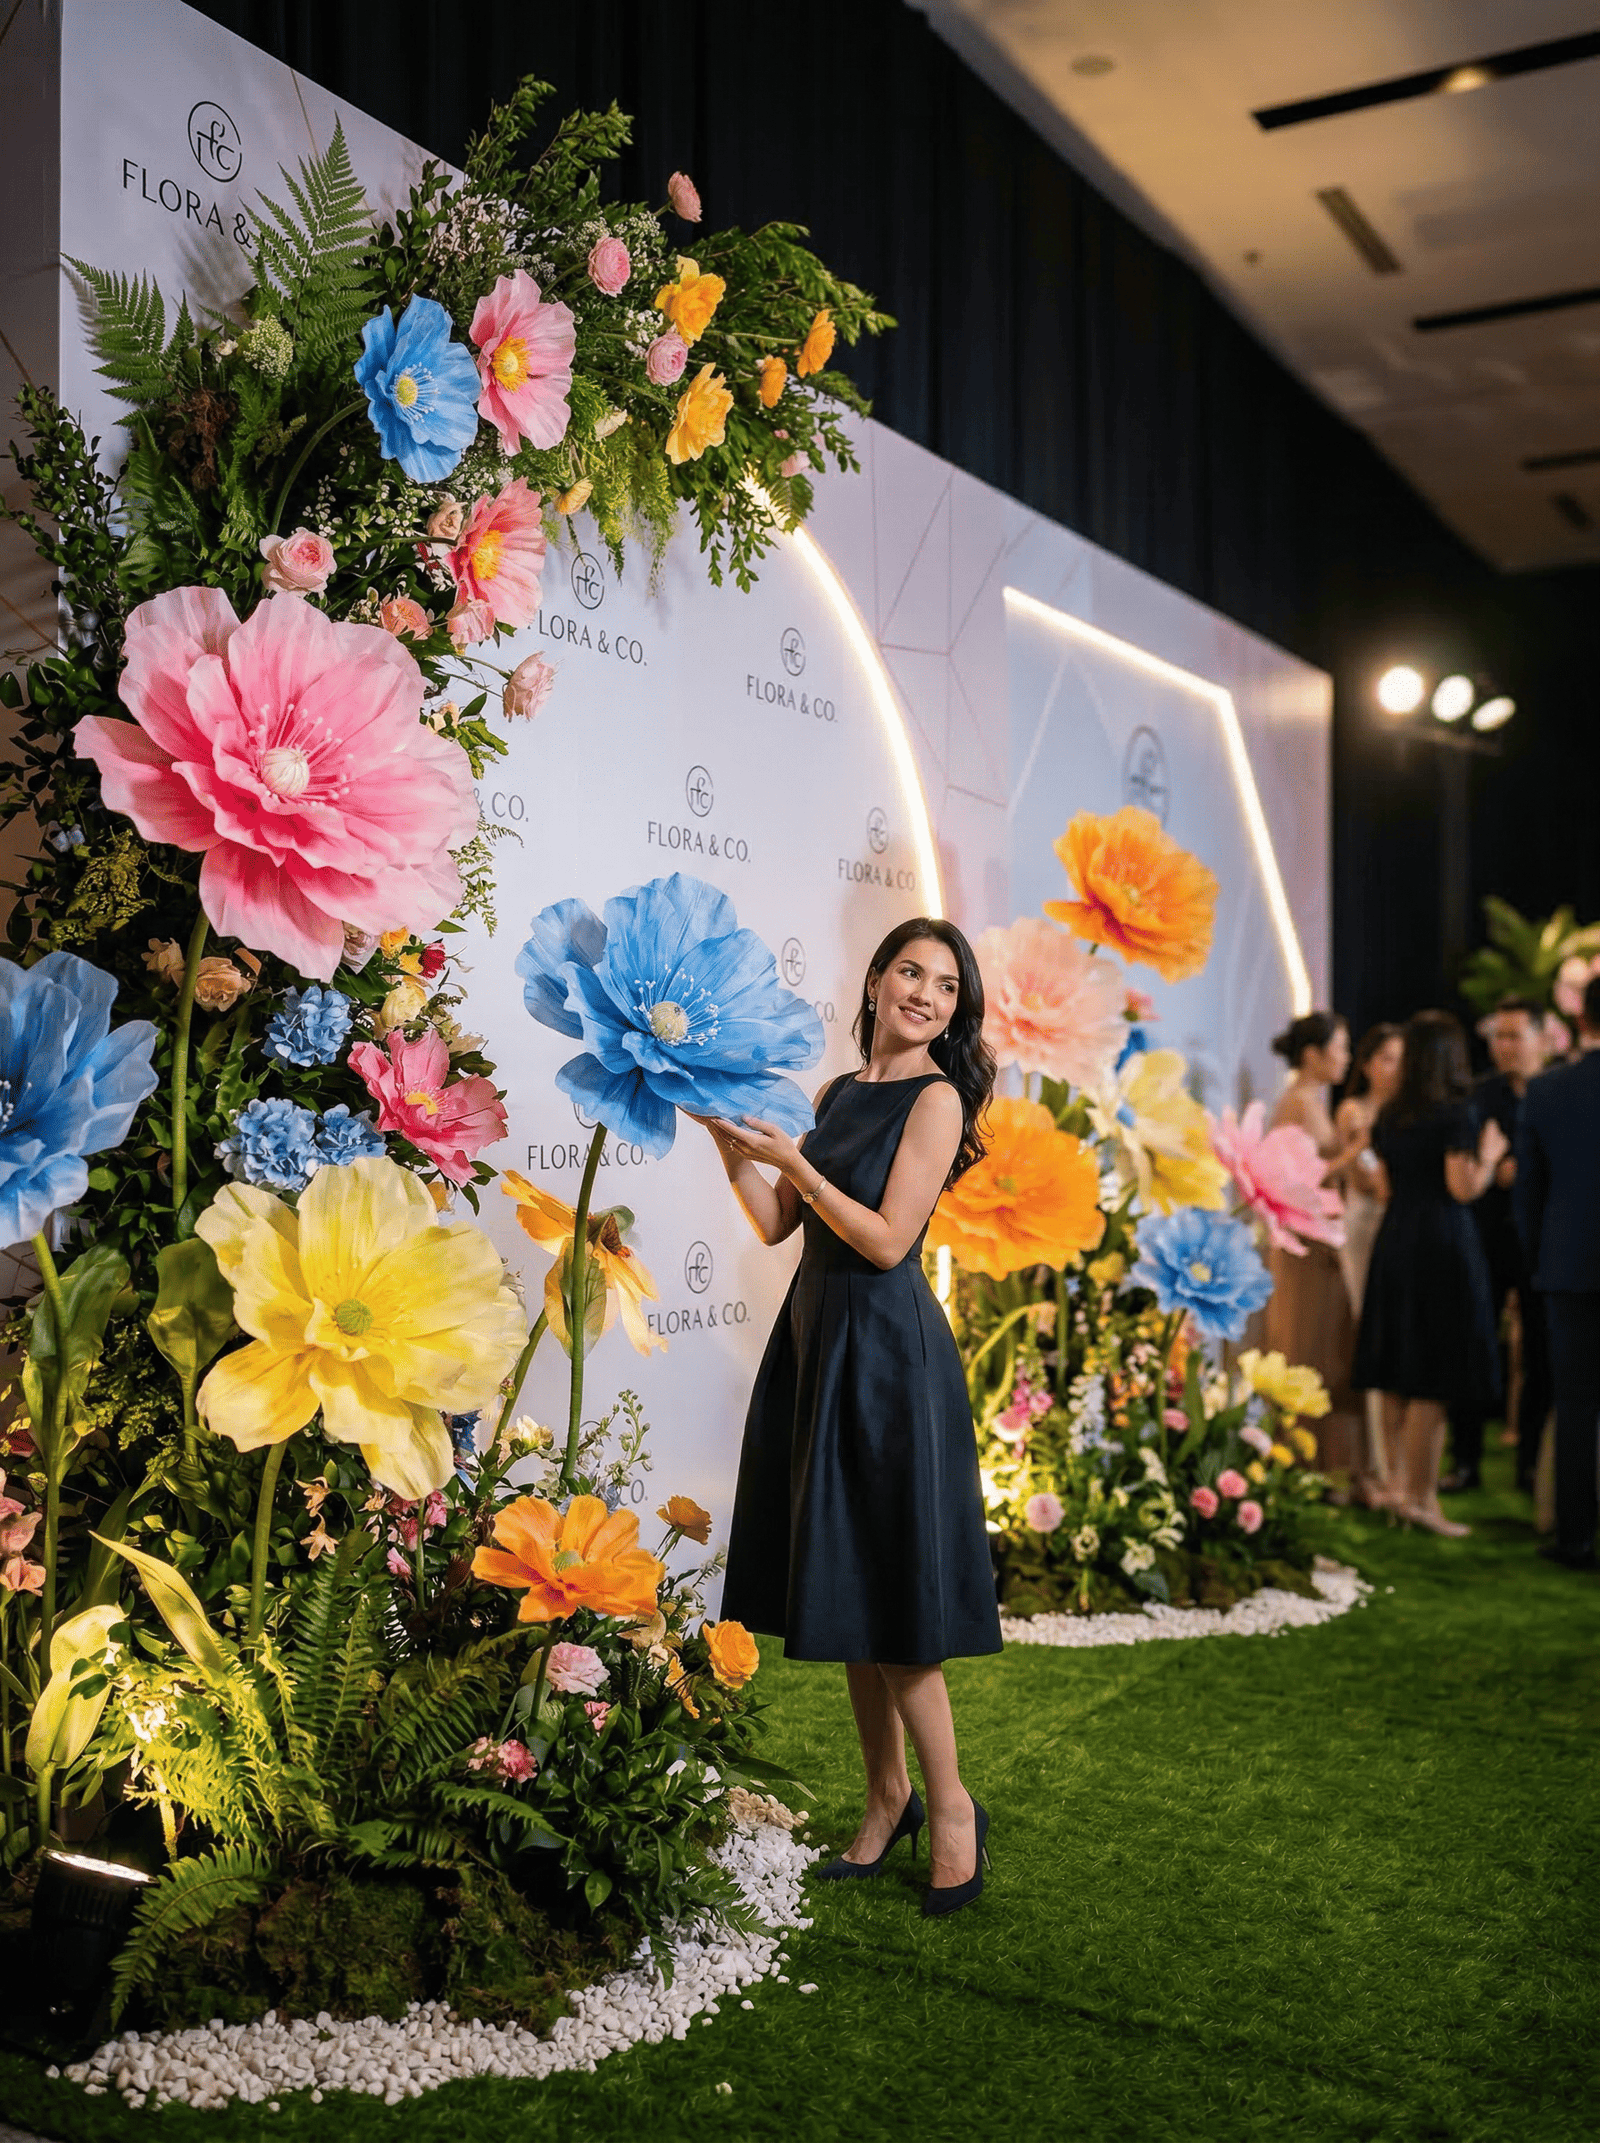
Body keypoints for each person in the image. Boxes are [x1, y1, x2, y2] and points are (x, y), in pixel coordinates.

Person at [698, 917, 1002, 1917]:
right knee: (851, 1593)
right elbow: (781, 1225)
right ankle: (886, 1796)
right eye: (909, 971)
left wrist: (797, 1162)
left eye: (945, 985)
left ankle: (951, 1807)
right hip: (817, 1344)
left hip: (886, 1359)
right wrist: (732, 1153)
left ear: (954, 1011)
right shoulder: (835, 1094)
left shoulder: (937, 1099)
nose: (923, 992)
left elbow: (881, 1241)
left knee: (897, 1603)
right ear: (872, 982)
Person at [1352, 1010, 1507, 1536]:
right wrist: (1489, 1157)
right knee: (1433, 1377)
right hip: (1442, 1243)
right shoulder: (1456, 1114)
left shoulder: (1391, 1114)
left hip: (1396, 1239)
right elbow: (1463, 1188)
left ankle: (1399, 1488)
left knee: (1398, 1367)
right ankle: (1419, 1498)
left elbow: (1386, 1188)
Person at [1448, 997, 1553, 1492]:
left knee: (1540, 1355)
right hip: (1484, 1239)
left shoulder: (1560, 1091)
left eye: (1515, 1036)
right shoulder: (1477, 1096)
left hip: (1543, 1244)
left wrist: (1524, 1172)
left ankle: (1530, 1465)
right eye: (1498, 1037)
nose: (1505, 1047)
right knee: (1473, 1345)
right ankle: (1465, 1461)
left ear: (1543, 1038)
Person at [1514, 975, 1600, 1570]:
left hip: (1566, 1268)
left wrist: (1537, 1259)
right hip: (1566, 1267)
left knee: (1574, 1409)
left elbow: (1528, 1200)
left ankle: (1574, 1538)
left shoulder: (1544, 1092)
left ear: (1580, 1020)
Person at [1263, 1011, 1369, 1488]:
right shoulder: (1300, 1103)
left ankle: (1324, 1466)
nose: (1346, 1058)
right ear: (1314, 1055)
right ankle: (1307, 1467)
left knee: (1328, 1349)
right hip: (1305, 1244)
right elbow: (1297, 1181)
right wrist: (1353, 1152)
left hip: (1315, 1239)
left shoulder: (1309, 1101)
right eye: (1340, 1048)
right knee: (1311, 1348)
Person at [1333, 1023, 1404, 1499]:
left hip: (1398, 1229)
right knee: (1374, 1335)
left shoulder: (1405, 1113)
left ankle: (1398, 1463)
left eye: (1400, 1060)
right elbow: (1367, 1177)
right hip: (1364, 1228)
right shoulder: (1355, 1111)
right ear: (1367, 1064)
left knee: (1399, 1340)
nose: (1392, 1069)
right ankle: (1377, 1464)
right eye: (1385, 1059)